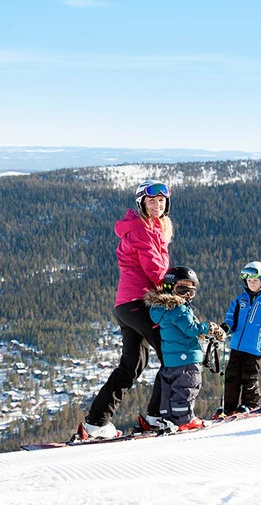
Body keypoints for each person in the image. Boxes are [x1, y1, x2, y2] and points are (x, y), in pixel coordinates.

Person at [84, 180, 174, 439]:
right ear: (141, 203)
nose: (157, 205)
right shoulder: (142, 231)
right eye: (151, 201)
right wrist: (177, 290)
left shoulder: (152, 228)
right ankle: (158, 415)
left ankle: (97, 422)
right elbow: (155, 270)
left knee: (132, 364)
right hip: (139, 302)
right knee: (170, 352)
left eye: (161, 201)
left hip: (127, 305)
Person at [147, 266, 225, 431]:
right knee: (187, 387)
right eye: (182, 289)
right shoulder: (179, 308)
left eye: (191, 291)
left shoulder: (161, 309)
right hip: (187, 358)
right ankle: (185, 419)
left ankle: (168, 417)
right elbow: (191, 329)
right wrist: (208, 327)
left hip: (170, 361)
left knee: (169, 389)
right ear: (169, 287)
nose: (188, 295)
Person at [218, 261, 261, 416]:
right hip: (236, 345)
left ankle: (251, 404)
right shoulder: (240, 300)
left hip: (254, 347)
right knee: (232, 375)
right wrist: (226, 327)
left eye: (255, 280)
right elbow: (230, 318)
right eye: (249, 281)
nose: (251, 283)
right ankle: (229, 408)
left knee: (249, 376)